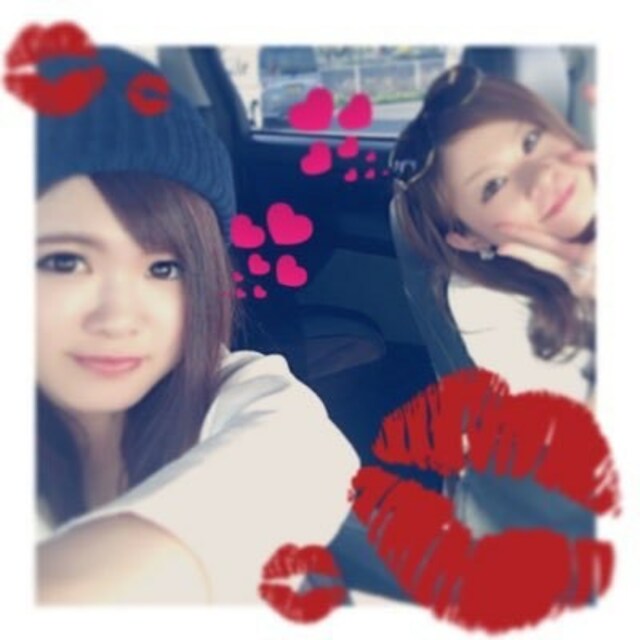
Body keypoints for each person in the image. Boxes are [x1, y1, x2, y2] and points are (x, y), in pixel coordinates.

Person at [36, 47, 358, 604]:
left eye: (164, 269)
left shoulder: (229, 386)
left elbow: (303, 457)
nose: (119, 318)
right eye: (65, 261)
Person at [390, 65, 596, 404]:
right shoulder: (484, 302)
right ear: (470, 238)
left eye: (531, 141)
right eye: (494, 185)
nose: (540, 174)